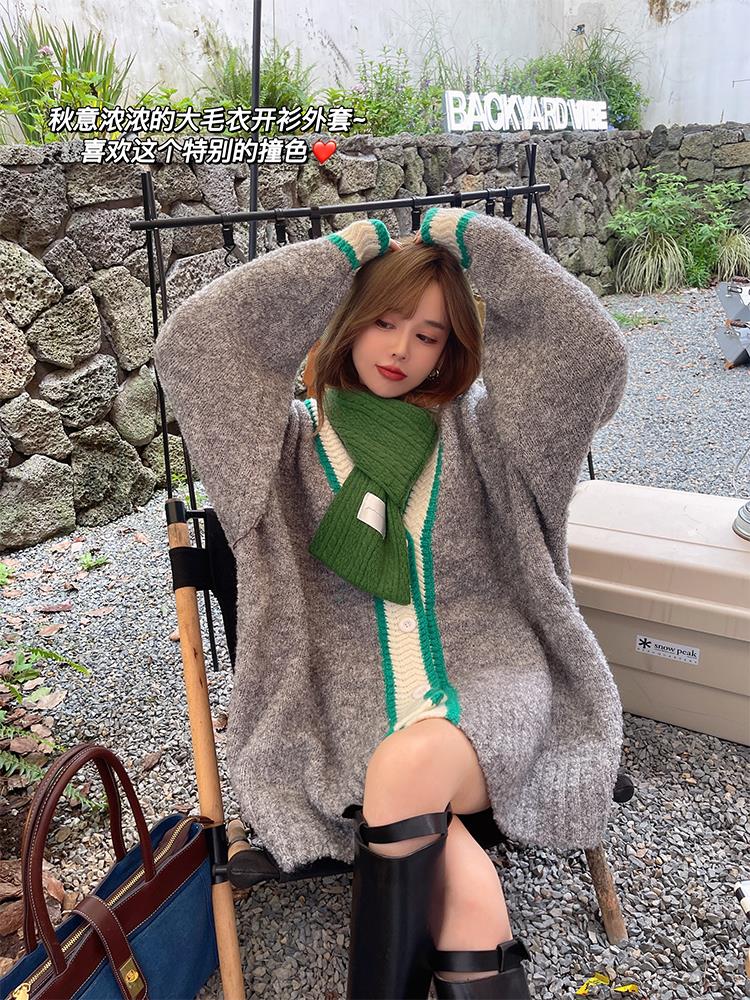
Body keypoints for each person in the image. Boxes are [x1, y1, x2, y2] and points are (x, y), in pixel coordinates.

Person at [153, 206, 629, 1000]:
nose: (402, 349)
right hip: (349, 712)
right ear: (347, 319)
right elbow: (194, 345)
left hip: (494, 687)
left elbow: (592, 354)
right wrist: (345, 253)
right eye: (383, 321)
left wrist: (481, 244)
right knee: (466, 885)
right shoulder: (278, 450)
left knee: (407, 770)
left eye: (429, 334)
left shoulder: (489, 437)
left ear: (453, 348)